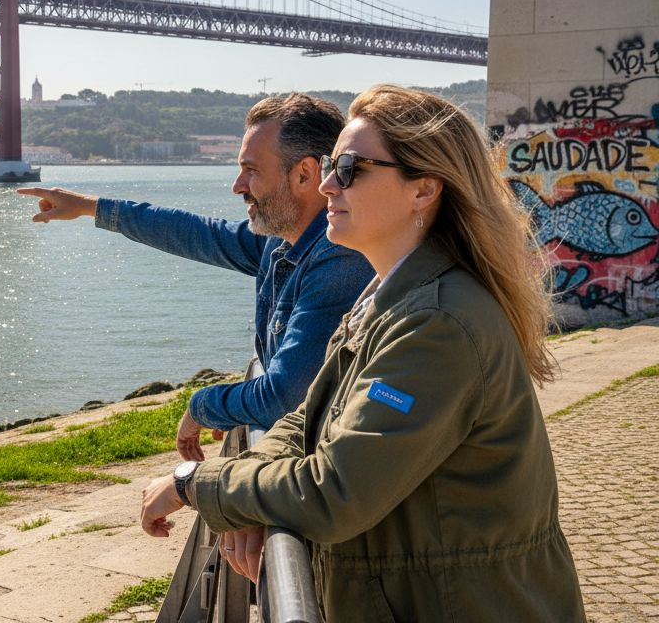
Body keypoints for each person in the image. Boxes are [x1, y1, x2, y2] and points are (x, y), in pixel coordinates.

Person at [140, 85, 586, 621]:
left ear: (423, 189)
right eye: (331, 165)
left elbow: (336, 490)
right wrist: (251, 484)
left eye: (350, 168)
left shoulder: (436, 324)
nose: (327, 184)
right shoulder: (387, 295)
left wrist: (196, 485)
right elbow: (308, 416)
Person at [20, 94, 372, 446]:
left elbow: (282, 398)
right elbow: (194, 232)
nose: (237, 186)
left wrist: (203, 405)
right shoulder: (281, 242)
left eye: (251, 170)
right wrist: (89, 207)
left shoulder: (338, 259)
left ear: (305, 174)